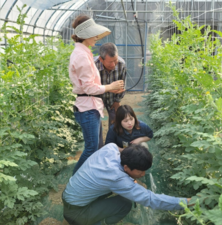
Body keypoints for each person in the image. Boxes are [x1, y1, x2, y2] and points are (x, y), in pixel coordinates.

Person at [63, 143, 192, 225]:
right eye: (140, 171)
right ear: (126, 167)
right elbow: (150, 199)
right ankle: (103, 222)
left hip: (69, 196)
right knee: (124, 203)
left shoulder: (110, 148)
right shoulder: (117, 178)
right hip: (76, 214)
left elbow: (124, 150)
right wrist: (185, 202)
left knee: (109, 189)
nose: (143, 174)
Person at [69, 15, 124, 176]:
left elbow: (88, 86)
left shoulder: (84, 53)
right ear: (85, 35)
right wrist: (110, 87)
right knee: (92, 148)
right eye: (93, 34)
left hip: (91, 107)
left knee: (96, 147)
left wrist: (109, 89)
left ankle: (91, 178)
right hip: (87, 109)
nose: (96, 37)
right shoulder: (81, 56)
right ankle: (75, 180)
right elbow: (88, 87)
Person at [94, 43, 127, 148]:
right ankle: (99, 150)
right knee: (96, 126)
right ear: (101, 59)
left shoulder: (121, 64)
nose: (113, 64)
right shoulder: (93, 65)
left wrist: (117, 101)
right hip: (96, 99)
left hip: (113, 100)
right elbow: (90, 87)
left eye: (115, 60)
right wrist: (109, 87)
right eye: (110, 62)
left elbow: (122, 84)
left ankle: (111, 147)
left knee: (115, 123)